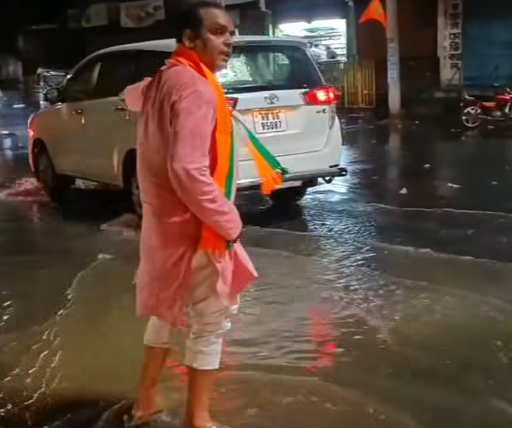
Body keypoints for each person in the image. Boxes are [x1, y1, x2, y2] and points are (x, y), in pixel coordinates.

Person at [123, 1, 285, 427]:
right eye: (217, 32)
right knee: (211, 323)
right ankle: (198, 419)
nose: (229, 41)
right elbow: (187, 169)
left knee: (165, 312)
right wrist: (229, 222)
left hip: (163, 226)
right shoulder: (195, 88)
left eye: (231, 33)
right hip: (195, 229)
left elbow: (132, 96)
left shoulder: (166, 78)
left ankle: (145, 402)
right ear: (189, 39)